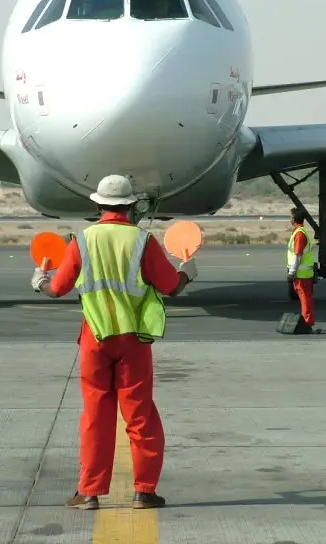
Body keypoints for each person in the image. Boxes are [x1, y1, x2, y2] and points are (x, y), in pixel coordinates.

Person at [30, 174, 198, 510]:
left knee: (95, 416)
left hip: (95, 339)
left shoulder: (82, 240)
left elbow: (58, 288)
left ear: (97, 204)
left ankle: (89, 493)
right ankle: (144, 491)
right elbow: (170, 287)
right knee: (140, 416)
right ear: (132, 206)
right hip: (133, 339)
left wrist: (39, 281)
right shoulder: (142, 241)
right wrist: (187, 271)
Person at [287, 208, 316, 332]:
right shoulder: (300, 232)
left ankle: (306, 322)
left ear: (294, 219)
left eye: (291, 217)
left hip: (301, 273)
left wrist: (292, 272)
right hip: (304, 273)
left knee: (305, 298)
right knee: (306, 297)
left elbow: (297, 255)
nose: (290, 218)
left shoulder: (299, 234)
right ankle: (308, 321)